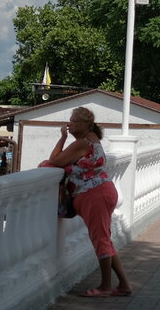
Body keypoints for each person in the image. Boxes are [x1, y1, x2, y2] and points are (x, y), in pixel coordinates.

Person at [40, 107, 132, 298]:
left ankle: (106, 287)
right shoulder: (91, 139)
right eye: (70, 120)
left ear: (85, 124)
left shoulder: (82, 143)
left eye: (73, 121)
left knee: (101, 240)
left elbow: (55, 160)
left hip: (94, 195)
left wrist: (62, 138)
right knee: (104, 239)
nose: (69, 123)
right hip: (100, 192)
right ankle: (123, 285)